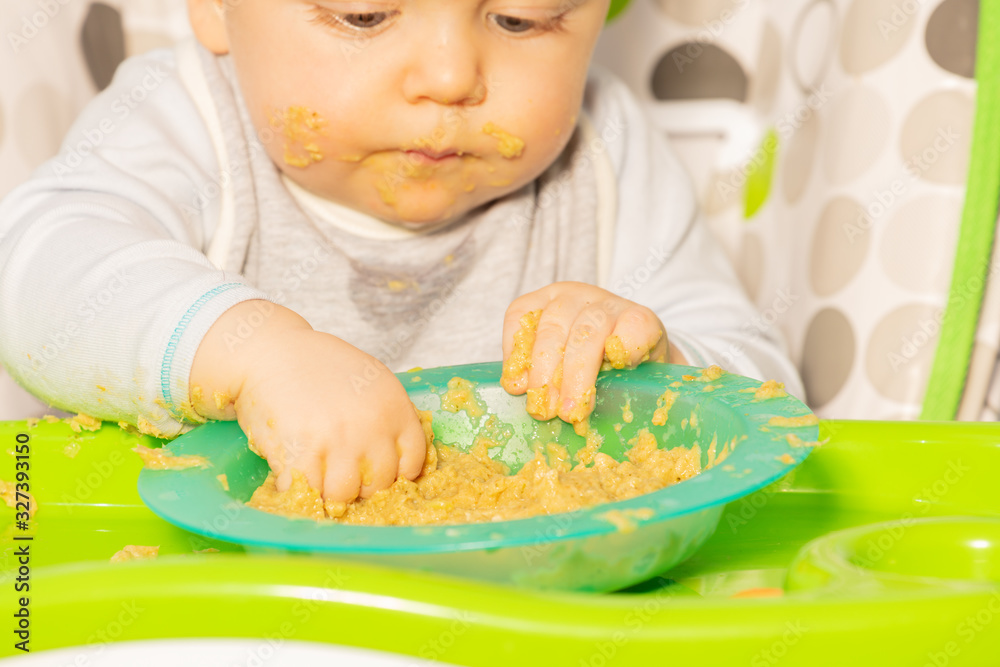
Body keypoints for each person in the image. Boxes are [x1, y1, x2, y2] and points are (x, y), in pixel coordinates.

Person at [0, 0, 802, 512]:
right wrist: (249, 351)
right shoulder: (176, 121)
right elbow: (33, 277)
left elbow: (769, 397)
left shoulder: (607, 156)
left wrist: (657, 354)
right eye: (364, 15)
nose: (451, 77)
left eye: (522, 19)